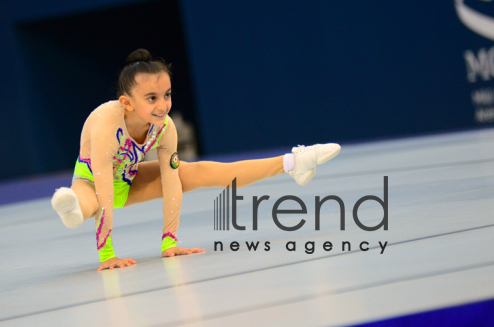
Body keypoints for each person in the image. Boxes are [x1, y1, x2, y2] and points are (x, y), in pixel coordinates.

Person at [51, 48, 341, 271]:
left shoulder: (165, 128)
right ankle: (71, 210)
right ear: (127, 102)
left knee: (198, 171)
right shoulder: (105, 122)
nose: (163, 104)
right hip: (92, 181)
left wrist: (170, 242)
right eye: (151, 98)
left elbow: (171, 182)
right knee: (87, 203)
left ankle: (292, 163)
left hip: (130, 177)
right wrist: (107, 254)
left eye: (166, 94)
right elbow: (104, 185)